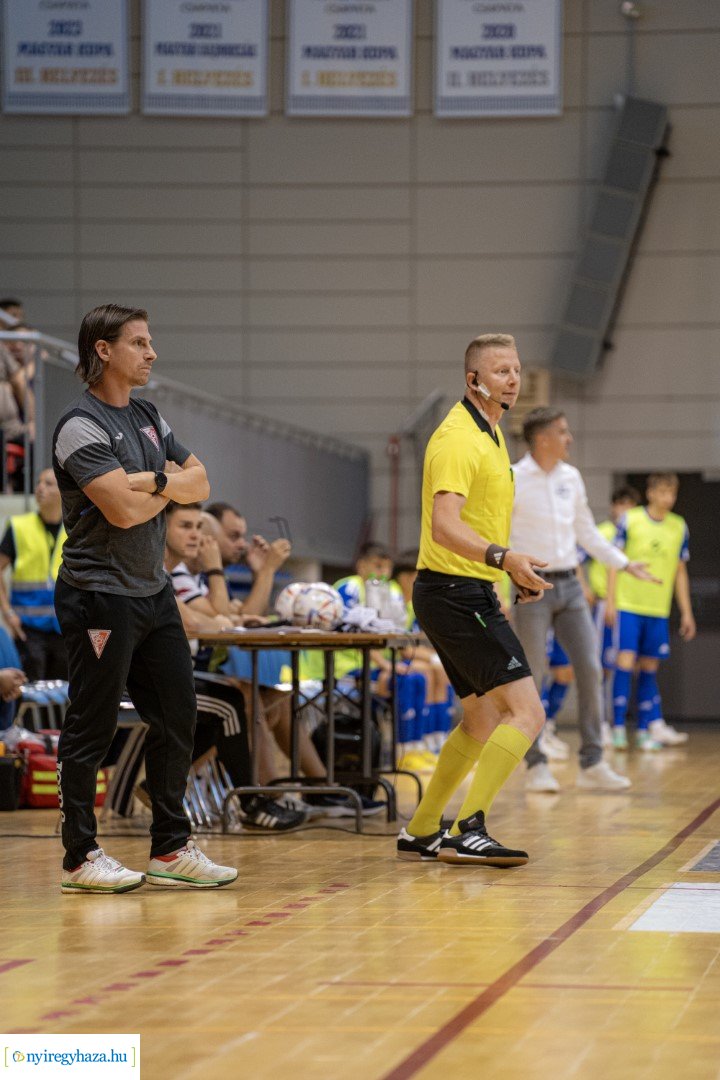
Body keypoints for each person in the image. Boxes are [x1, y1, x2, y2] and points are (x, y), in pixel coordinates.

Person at [52, 302, 236, 893]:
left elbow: (201, 483)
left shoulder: (148, 415)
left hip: (152, 594)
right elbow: (122, 512)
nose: (152, 353)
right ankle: (81, 855)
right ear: (103, 351)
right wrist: (160, 490)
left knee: (178, 713)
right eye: (139, 343)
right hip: (98, 597)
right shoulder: (80, 427)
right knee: (93, 725)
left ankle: (171, 848)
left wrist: (154, 479)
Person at [397, 333, 552, 867]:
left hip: (463, 590)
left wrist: (509, 574)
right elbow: (444, 526)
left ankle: (421, 829)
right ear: (473, 381)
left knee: (482, 720)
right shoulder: (458, 438)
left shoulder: (491, 431)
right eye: (501, 370)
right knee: (527, 712)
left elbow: (481, 521)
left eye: (516, 369)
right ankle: (470, 827)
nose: (513, 378)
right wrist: (505, 559)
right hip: (454, 592)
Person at [510, 408, 657, 793]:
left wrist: (624, 564)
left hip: (571, 585)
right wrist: (500, 584)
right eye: (562, 431)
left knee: (591, 668)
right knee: (533, 677)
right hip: (532, 587)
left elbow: (587, 532)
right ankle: (535, 762)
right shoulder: (512, 478)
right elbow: (497, 535)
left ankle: (592, 761)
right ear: (542, 438)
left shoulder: (570, 478)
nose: (569, 437)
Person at [607, 473, 695, 749]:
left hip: (658, 609)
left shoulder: (679, 526)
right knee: (624, 662)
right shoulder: (630, 519)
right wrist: (610, 602)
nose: (668, 498)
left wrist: (687, 612)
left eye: (673, 493)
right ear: (651, 493)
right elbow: (613, 562)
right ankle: (617, 727)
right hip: (628, 605)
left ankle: (645, 730)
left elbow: (681, 572)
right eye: (663, 492)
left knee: (649, 667)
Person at [581, 485, 641, 742]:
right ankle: (601, 724)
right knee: (600, 666)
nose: (625, 510)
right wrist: (585, 588)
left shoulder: (637, 534)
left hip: (631, 605)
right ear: (613, 506)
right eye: (621, 504)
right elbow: (577, 558)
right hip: (605, 605)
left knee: (624, 665)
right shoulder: (602, 532)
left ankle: (618, 724)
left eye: (631, 506)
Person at [0, 467, 68, 680]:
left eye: (48, 484)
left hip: (66, 627)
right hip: (28, 629)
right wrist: (8, 613)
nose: (40, 489)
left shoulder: (76, 528)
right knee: (30, 695)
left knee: (64, 697)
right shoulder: (19, 526)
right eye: (39, 483)